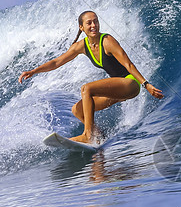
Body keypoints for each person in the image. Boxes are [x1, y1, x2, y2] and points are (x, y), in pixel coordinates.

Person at [19, 10, 164, 144]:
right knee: (77, 110)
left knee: (86, 89)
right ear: (81, 27)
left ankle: (87, 135)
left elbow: (128, 64)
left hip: (130, 84)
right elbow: (57, 62)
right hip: (117, 91)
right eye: (89, 23)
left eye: (96, 21)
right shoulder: (81, 46)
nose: (94, 25)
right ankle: (98, 135)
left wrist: (146, 84)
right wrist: (34, 71)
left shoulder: (107, 40)